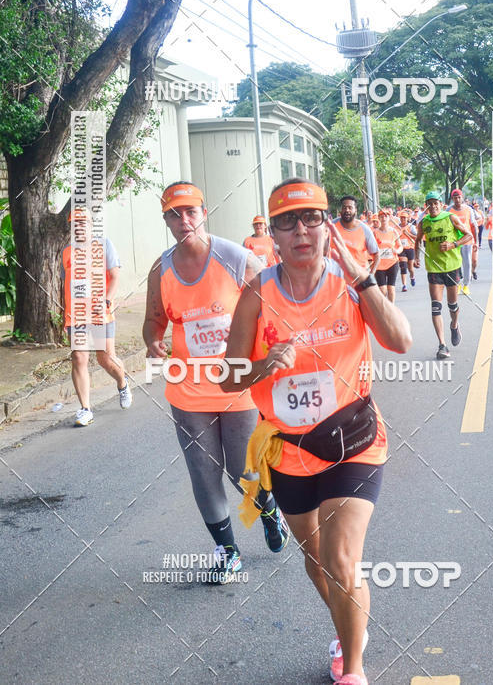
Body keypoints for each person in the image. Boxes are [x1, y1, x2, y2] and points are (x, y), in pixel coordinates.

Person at [221, 178, 412, 685]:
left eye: (311, 218)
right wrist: (263, 365)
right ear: (272, 236)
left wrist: (364, 278)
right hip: (287, 452)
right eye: (287, 222)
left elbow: (400, 340)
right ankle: (352, 626)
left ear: (326, 227)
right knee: (317, 563)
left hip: (353, 442)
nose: (300, 230)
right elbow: (228, 375)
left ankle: (352, 669)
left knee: (341, 558)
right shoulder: (257, 293)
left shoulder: (351, 282)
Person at [142, 181, 289, 583]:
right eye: (174, 213)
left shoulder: (236, 258)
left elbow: (275, 309)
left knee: (242, 474)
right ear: (166, 220)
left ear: (203, 212)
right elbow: (153, 321)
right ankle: (227, 550)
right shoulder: (162, 268)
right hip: (188, 389)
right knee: (204, 471)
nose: (183, 220)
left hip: (237, 383)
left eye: (190, 211)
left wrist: (270, 357)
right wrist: (154, 342)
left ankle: (269, 510)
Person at [61, 208, 131, 427]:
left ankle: (122, 383)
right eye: (75, 223)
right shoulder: (66, 252)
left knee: (105, 359)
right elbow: (66, 285)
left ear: (91, 224)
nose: (79, 226)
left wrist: (107, 300)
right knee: (79, 358)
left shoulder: (104, 245)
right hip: (77, 315)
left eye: (83, 222)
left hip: (100, 312)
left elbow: (115, 275)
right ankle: (85, 409)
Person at [413, 192, 472, 360]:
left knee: (452, 305)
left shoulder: (451, 218)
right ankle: (442, 345)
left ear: (441, 204)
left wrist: (453, 244)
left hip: (452, 267)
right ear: (426, 206)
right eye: (429, 203)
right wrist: (416, 258)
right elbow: (418, 240)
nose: (433, 206)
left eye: (435, 203)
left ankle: (454, 325)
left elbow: (469, 235)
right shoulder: (424, 222)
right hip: (434, 269)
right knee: (436, 307)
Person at [333, 195, 380, 276]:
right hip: (336, 277)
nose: (347, 210)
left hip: (358, 277)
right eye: (344, 207)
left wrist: (371, 274)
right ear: (340, 210)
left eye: (350, 208)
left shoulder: (365, 229)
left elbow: (376, 254)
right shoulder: (331, 226)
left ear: (355, 210)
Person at [449, 188, 478, 295]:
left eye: (459, 197)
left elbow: (474, 225)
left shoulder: (468, 209)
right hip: (454, 242)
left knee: (467, 263)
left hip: (466, 240)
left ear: (462, 197)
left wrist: (476, 242)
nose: (457, 199)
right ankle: (457, 283)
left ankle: (466, 285)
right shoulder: (448, 211)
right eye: (455, 198)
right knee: (455, 264)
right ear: (452, 199)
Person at [373, 210, 401, 302]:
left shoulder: (393, 232)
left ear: (389, 218)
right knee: (382, 290)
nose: (383, 218)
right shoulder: (375, 233)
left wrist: (396, 250)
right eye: (381, 216)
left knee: (391, 288)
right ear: (379, 218)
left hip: (392, 262)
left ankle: (391, 308)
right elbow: (370, 248)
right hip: (379, 264)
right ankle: (384, 307)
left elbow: (400, 246)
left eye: (385, 216)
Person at [396, 211, 417, 291]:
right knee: (403, 267)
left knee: (410, 268)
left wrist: (408, 233)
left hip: (410, 248)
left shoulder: (411, 226)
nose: (403, 219)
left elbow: (416, 236)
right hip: (401, 249)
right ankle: (404, 285)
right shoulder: (397, 227)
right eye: (401, 218)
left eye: (404, 218)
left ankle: (412, 276)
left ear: (407, 218)